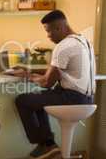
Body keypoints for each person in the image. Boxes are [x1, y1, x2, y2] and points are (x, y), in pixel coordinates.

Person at [10, 10, 96, 159]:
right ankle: (48, 143)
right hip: (87, 99)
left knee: (23, 100)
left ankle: (44, 144)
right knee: (37, 99)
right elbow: (56, 71)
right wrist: (30, 70)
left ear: (59, 28)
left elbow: (46, 83)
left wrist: (25, 75)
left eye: (49, 31)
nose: (48, 36)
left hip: (72, 99)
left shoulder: (63, 46)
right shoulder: (83, 41)